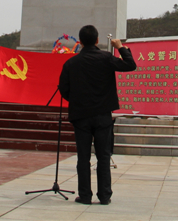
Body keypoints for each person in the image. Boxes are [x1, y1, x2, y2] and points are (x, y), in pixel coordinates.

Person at [58, 25, 136, 205]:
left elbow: (63, 89)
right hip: (102, 115)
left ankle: (85, 195)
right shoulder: (106, 58)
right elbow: (131, 65)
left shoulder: (71, 63)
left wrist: (77, 101)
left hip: (81, 116)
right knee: (103, 156)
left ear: (80, 42)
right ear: (97, 40)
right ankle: (105, 195)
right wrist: (120, 47)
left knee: (83, 158)